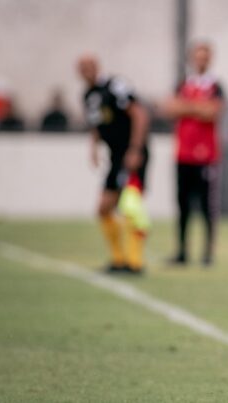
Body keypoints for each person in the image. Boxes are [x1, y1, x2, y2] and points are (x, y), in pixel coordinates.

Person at [78, 54, 150, 274]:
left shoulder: (115, 85)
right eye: (82, 67)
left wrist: (135, 149)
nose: (86, 70)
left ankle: (135, 263)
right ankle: (118, 260)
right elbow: (96, 124)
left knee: (131, 207)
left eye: (89, 65)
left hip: (131, 153)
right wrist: (94, 147)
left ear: (97, 66)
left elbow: (139, 114)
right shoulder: (88, 95)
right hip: (116, 157)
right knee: (103, 208)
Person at [161, 41, 224, 267]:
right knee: (183, 205)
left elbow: (212, 112)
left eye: (204, 57)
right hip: (183, 154)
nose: (201, 61)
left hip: (206, 156)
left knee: (207, 206)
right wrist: (197, 107)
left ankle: (207, 253)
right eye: (198, 56)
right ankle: (182, 251)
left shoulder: (215, 86)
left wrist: (186, 107)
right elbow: (169, 108)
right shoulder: (183, 83)